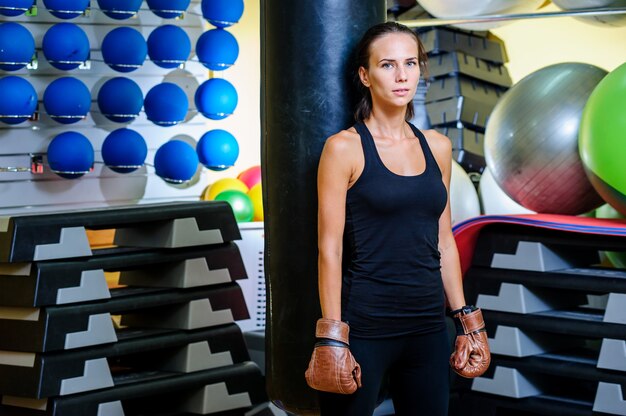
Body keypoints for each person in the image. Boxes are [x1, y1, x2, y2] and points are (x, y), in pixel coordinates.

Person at [304, 22, 490, 416]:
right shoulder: (343, 149)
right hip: (365, 328)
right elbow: (329, 248)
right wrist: (333, 336)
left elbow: (443, 240)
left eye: (410, 63)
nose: (402, 75)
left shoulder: (437, 147)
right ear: (365, 75)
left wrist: (465, 319)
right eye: (387, 65)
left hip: (427, 327)